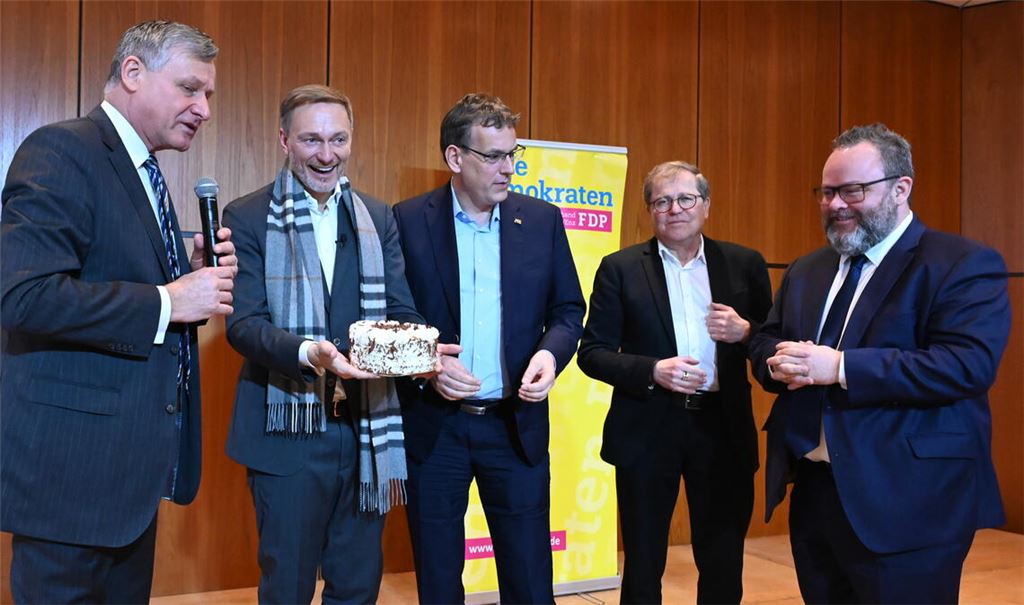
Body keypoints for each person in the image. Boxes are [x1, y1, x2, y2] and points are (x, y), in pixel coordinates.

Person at [0, 20, 236, 603]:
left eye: (207, 94)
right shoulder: (62, 149)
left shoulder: (142, 169)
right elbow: (22, 295)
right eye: (189, 88)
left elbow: (112, 277)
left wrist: (184, 276)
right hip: (71, 483)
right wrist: (168, 300)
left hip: (127, 480)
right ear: (133, 73)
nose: (203, 108)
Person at [749, 123, 1011, 604]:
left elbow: (965, 365)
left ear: (900, 188)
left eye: (852, 190)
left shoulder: (961, 263)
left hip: (910, 500)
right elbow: (767, 338)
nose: (835, 205)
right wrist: (775, 363)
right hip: (817, 494)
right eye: (826, 192)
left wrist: (840, 367)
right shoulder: (808, 269)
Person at [222, 84, 436, 604]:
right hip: (287, 434)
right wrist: (308, 353)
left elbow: (400, 311)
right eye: (312, 139)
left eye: (338, 139)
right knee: (288, 584)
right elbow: (243, 324)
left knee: (359, 584)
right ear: (284, 140)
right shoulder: (246, 216)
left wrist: (422, 350)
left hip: (366, 431)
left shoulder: (377, 216)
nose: (326, 154)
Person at [393, 93, 586, 605]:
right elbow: (395, 311)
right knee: (438, 579)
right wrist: (427, 364)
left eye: (513, 154)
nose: (508, 169)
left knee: (528, 579)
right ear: (455, 158)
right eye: (493, 156)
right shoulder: (408, 220)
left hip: (514, 426)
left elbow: (568, 310)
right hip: (436, 428)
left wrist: (550, 355)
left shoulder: (542, 220)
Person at [577, 161, 772, 604]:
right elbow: (592, 353)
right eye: (662, 201)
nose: (675, 209)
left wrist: (745, 332)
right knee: (644, 564)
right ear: (650, 210)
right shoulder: (620, 268)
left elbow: (769, 342)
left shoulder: (744, 264)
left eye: (686, 199)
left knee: (722, 560)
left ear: (706, 206)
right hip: (648, 428)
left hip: (722, 429)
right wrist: (652, 371)